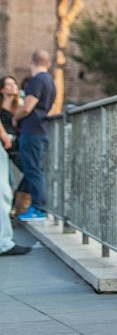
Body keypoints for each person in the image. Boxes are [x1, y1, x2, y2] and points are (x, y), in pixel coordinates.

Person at [13, 50, 57, 222]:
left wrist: (16, 118)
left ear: (31, 61)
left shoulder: (36, 81)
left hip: (32, 131)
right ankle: (32, 206)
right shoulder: (51, 82)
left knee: (33, 169)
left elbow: (27, 107)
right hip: (42, 130)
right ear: (48, 63)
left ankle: (38, 208)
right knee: (35, 169)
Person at [0, 76, 32, 256]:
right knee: (3, 192)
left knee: (5, 189)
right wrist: (3, 134)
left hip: (11, 147)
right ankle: (4, 243)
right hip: (4, 145)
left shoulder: (15, 102)